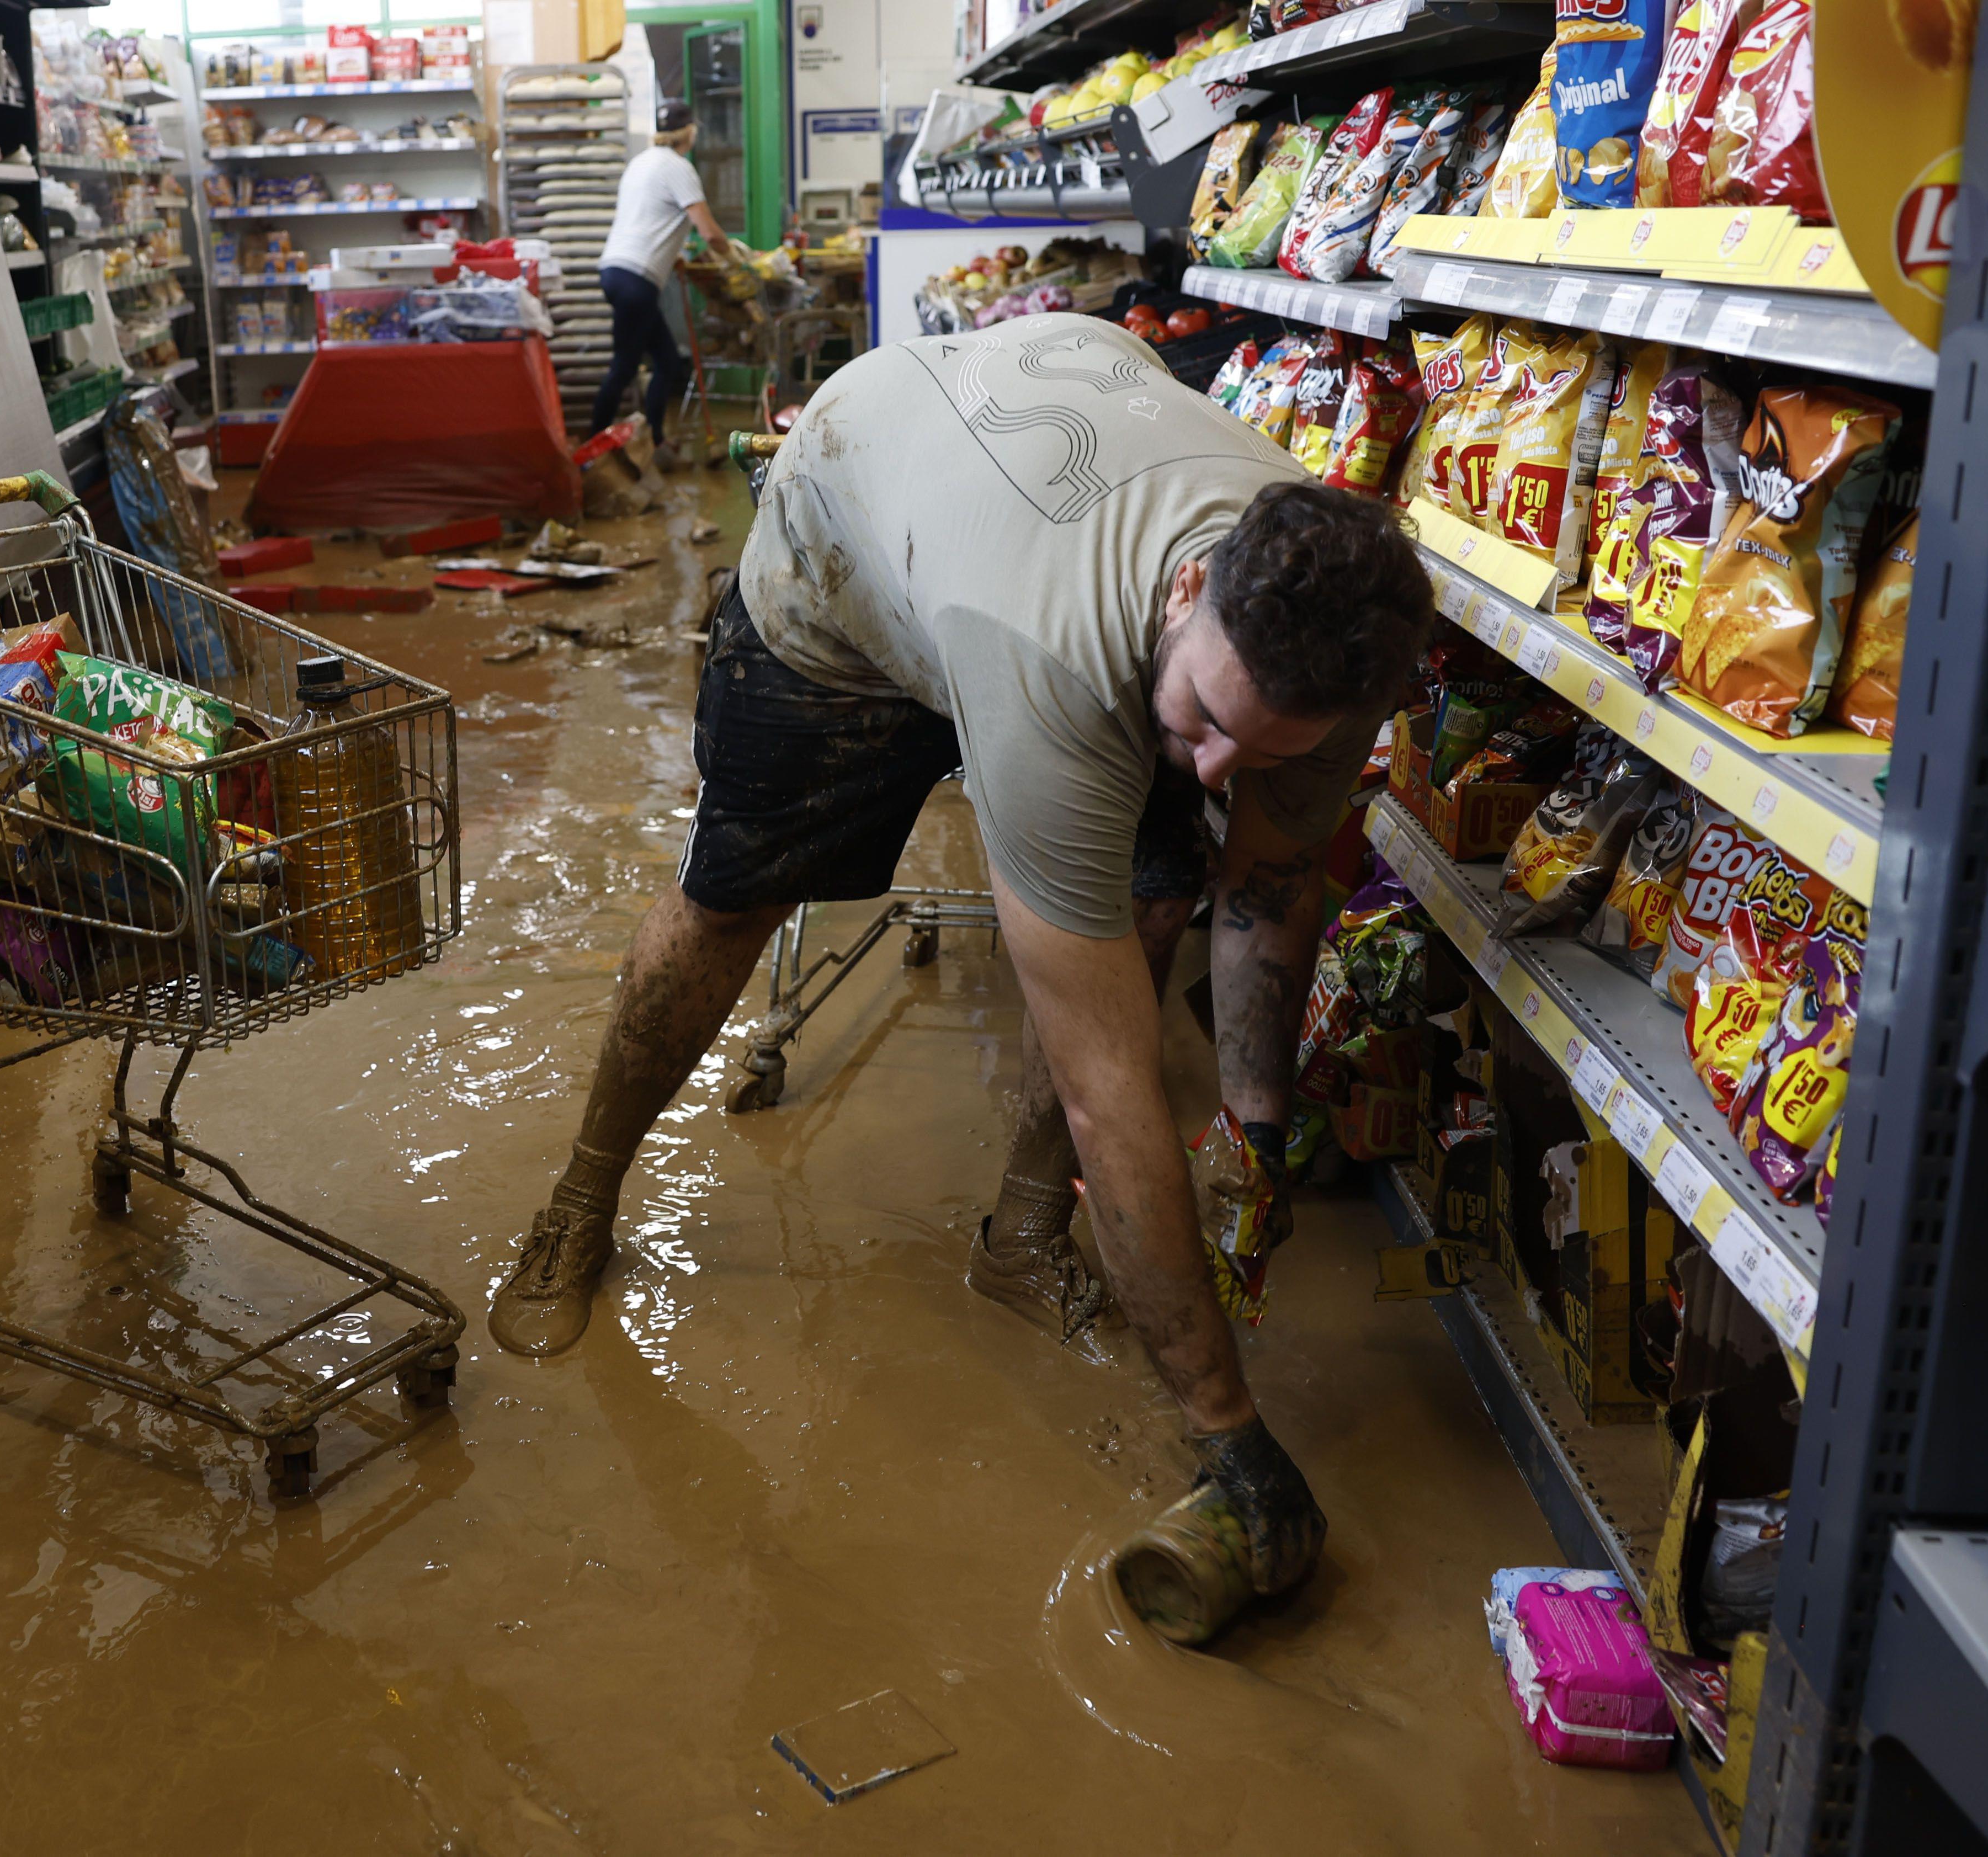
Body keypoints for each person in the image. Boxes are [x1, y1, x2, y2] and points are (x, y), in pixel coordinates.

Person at [483, 310, 1434, 1630]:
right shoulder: (1056, 659)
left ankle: (1021, 1236)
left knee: (1157, 892)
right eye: (1208, 724)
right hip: (846, 548)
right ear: (1182, 592)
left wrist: (1258, 1126)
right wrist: (1226, 1427)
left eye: (1263, 749)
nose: (1219, 769)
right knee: (729, 903)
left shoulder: (1324, 635)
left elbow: (1265, 893)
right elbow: (1116, 1085)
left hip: (1019, 508)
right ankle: (578, 1199)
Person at [591, 102, 736, 445]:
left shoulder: (640, 163)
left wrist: (672, 257)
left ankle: (657, 441)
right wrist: (737, 262)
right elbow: (711, 233)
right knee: (624, 367)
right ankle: (592, 449)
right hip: (636, 280)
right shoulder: (678, 168)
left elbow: (648, 222)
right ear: (690, 132)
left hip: (616, 270)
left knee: (666, 361)